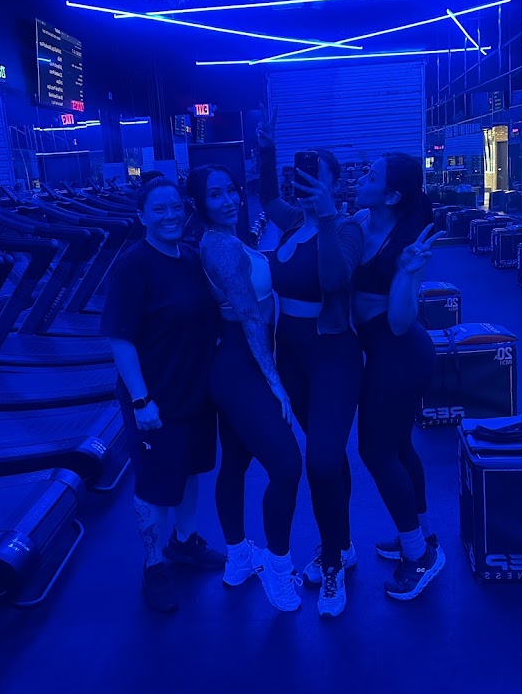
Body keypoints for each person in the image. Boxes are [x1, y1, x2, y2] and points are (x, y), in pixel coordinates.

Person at [100, 177, 225, 614]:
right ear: (142, 216)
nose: (170, 215)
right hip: (154, 399)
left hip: (195, 392)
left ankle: (184, 542)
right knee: (155, 487)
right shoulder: (134, 266)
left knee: (189, 472)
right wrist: (140, 400)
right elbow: (119, 338)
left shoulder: (190, 257)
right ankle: (153, 566)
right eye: (159, 209)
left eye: (175, 207)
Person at [256, 107, 363, 618]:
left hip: (333, 357)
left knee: (320, 462)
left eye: (316, 178)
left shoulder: (346, 230)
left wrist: (327, 216)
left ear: (334, 184)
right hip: (292, 357)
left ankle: (333, 563)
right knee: (330, 458)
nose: (305, 187)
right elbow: (266, 198)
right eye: (302, 179)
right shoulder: (292, 221)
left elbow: (334, 282)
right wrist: (266, 148)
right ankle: (343, 544)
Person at [185, 164, 305, 612]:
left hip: (238, 361)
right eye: (215, 195)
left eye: (230, 190)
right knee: (287, 466)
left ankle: (237, 558)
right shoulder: (219, 247)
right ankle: (277, 568)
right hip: (241, 366)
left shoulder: (229, 239)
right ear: (199, 204)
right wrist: (275, 382)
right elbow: (251, 317)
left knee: (235, 463)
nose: (228, 200)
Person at [347, 154, 446, 601]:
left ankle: (418, 556)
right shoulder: (360, 221)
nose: (360, 178)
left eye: (370, 175)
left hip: (401, 355)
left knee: (375, 451)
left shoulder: (408, 243)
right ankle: (421, 534)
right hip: (384, 354)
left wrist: (407, 274)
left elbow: (402, 321)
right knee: (399, 447)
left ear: (391, 196)